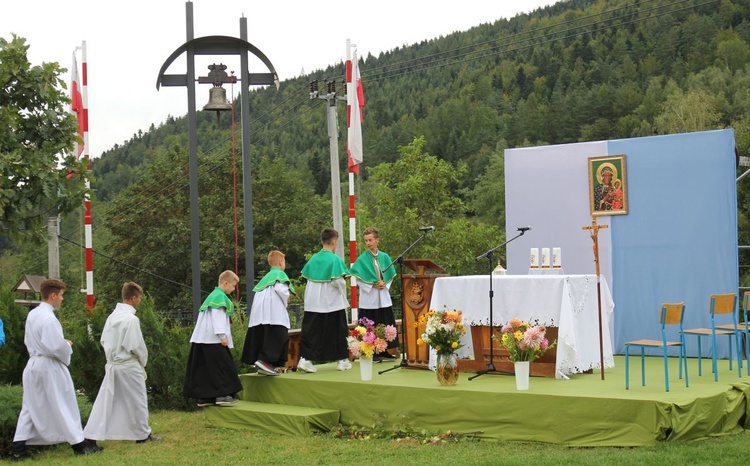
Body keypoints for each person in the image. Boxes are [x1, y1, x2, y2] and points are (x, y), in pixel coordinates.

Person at [11, 279, 103, 460]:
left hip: (33, 365)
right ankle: (79, 445)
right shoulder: (49, 319)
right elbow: (55, 347)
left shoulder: (33, 314)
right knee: (63, 403)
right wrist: (67, 345)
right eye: (61, 295)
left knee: (29, 407)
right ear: (53, 295)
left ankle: (18, 450)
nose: (62, 299)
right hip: (48, 366)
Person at [83, 282, 162, 443]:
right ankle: (143, 435)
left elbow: (104, 341)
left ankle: (91, 434)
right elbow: (136, 346)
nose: (140, 301)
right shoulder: (131, 319)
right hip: (128, 364)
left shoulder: (112, 317)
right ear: (133, 298)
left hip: (113, 364)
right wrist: (142, 361)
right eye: (139, 298)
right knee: (138, 400)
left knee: (105, 400)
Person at [183, 270, 243, 407]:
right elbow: (218, 318)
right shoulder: (219, 297)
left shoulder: (212, 296)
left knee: (205, 368)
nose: (233, 289)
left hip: (202, 339)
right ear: (225, 283)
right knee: (221, 366)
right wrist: (222, 336)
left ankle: (206, 397)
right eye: (233, 286)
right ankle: (222, 395)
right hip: (213, 339)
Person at [297, 228, 352, 373]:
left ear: (322, 241)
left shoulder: (313, 259)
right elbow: (337, 281)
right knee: (338, 330)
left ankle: (305, 359)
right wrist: (344, 283)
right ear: (334, 242)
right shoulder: (335, 259)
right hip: (332, 302)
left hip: (313, 301)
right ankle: (342, 360)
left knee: (311, 330)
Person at [242, 250, 296, 375]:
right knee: (277, 336)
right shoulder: (280, 275)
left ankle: (268, 364)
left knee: (264, 335)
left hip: (260, 314)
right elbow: (282, 290)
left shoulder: (265, 279)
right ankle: (266, 361)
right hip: (274, 313)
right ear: (281, 262)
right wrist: (287, 299)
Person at [350, 227, 399, 362]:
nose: (368, 243)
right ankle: (370, 351)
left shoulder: (385, 257)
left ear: (377, 240)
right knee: (370, 325)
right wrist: (372, 285)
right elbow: (358, 278)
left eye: (370, 240)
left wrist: (384, 284)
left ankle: (384, 351)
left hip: (383, 296)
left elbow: (390, 275)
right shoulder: (362, 259)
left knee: (385, 322)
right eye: (366, 240)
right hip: (369, 297)